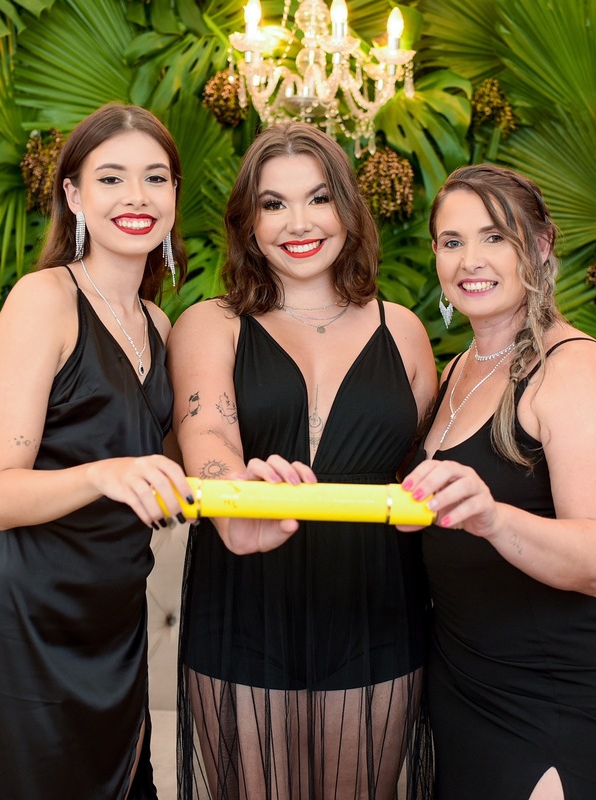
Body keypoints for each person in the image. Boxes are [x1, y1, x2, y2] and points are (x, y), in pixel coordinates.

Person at [168, 122, 437, 799]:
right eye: (273, 203)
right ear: (248, 223)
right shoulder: (211, 323)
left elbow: (424, 463)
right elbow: (208, 438)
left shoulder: (403, 331)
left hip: (375, 608)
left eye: (318, 198)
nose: (299, 223)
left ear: (348, 209)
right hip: (244, 605)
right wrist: (238, 498)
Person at [399, 165, 596, 800]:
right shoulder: (456, 370)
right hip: (471, 681)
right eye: (452, 241)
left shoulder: (573, 371)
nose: (471, 260)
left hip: (572, 690)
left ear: (542, 244)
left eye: (495, 237)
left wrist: (493, 518)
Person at [0, 103, 193, 800]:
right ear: (75, 196)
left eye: (155, 178)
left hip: (115, 624)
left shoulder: (159, 323)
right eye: (111, 178)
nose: (137, 197)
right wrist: (105, 474)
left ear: (174, 195)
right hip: (29, 626)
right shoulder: (44, 300)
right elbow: (0, 496)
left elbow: (175, 472)